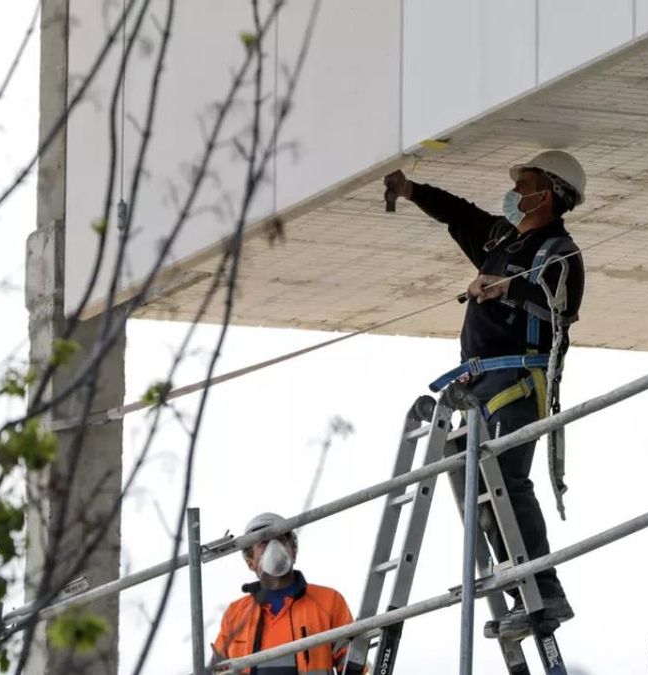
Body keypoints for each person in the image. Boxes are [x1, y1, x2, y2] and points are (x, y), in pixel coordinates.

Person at [383, 150, 587, 639]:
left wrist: (508, 291)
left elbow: (561, 316)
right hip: (480, 382)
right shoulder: (502, 239)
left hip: (519, 380)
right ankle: (524, 593)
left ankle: (546, 593)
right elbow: (460, 214)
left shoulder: (559, 252)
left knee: (508, 485)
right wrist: (412, 192)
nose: (515, 192)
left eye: (525, 184)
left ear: (550, 193)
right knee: (482, 494)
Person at [212, 512, 356, 674]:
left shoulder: (329, 601)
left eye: (281, 539)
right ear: (250, 561)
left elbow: (353, 662)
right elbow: (219, 669)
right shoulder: (236, 614)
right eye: (264, 543)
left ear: (294, 551)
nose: (274, 547)